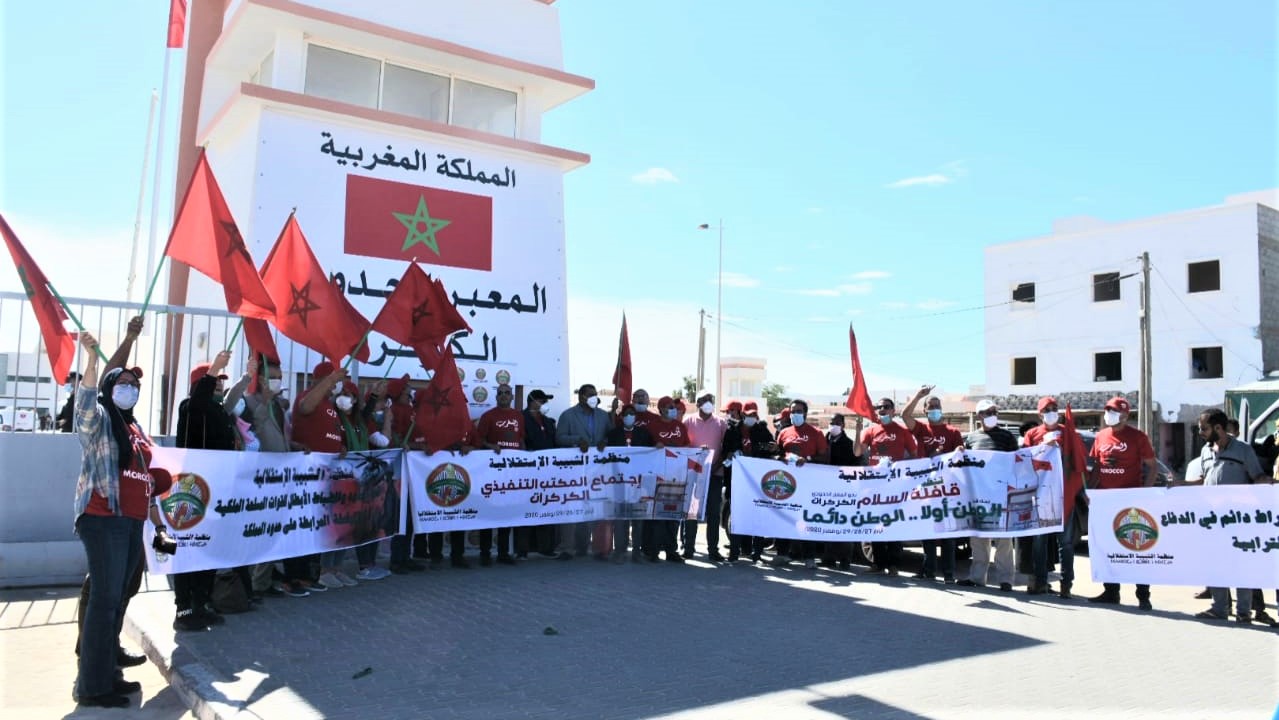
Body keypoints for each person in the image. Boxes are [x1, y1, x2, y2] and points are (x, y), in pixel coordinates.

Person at [72, 328, 173, 708]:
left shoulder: (134, 429)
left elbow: (145, 481)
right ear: (111, 387)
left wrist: (159, 524)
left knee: (117, 600)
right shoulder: (101, 419)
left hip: (132, 523)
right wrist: (93, 361)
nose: (130, 388)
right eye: (124, 382)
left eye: (135, 385)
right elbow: (83, 408)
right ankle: (93, 688)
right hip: (103, 517)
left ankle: (107, 674)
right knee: (105, 599)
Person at [172, 352, 246, 631]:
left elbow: (230, 399)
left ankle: (202, 603)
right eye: (214, 382)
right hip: (192, 490)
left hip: (216, 488)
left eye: (220, 383)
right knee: (189, 548)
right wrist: (213, 368)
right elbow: (200, 400)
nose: (218, 386)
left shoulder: (218, 411)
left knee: (209, 549)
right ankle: (184, 608)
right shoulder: (190, 406)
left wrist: (246, 377)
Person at [1172, 409, 1268, 623]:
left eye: (1203, 428)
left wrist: (1272, 484)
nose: (1200, 432)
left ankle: (1244, 613)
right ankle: (1219, 608)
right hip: (1212, 522)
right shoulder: (1206, 451)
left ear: (1218, 428)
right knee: (1215, 563)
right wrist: (1181, 484)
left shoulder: (1243, 450)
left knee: (1240, 566)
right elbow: (1204, 480)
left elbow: (1257, 477)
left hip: (1238, 521)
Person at [1086, 396, 1156, 610]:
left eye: (1114, 411)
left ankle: (1143, 596)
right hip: (1105, 500)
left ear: (1125, 415)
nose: (1109, 414)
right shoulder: (1101, 436)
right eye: (1107, 410)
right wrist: (1089, 490)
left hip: (1130, 501)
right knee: (1107, 546)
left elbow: (1152, 467)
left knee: (1135, 546)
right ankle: (1111, 591)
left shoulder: (1138, 437)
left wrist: (1144, 493)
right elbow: (1097, 466)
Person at [1020, 396, 1085, 597]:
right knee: (1039, 542)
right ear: (1040, 414)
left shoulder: (1069, 433)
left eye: (1054, 408)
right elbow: (1024, 461)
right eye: (1047, 409)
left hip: (1064, 496)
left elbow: (1079, 460)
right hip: (1041, 496)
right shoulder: (1033, 434)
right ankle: (1040, 581)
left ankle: (1067, 584)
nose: (1051, 411)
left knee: (1065, 543)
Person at [900, 386, 963, 583]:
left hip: (946, 489)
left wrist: (959, 450)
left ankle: (949, 573)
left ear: (941, 409)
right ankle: (928, 570)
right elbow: (904, 414)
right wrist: (919, 396)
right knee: (927, 530)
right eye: (931, 407)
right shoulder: (921, 429)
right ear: (925, 410)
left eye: (937, 406)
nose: (934, 409)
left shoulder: (953, 432)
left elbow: (960, 457)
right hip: (925, 487)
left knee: (947, 534)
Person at [959, 399, 1018, 592]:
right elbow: (964, 465)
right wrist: (959, 452)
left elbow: (1016, 463)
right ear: (979, 416)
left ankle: (1006, 580)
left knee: (1004, 540)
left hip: (1001, 495)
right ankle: (977, 578)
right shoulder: (971, 438)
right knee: (978, 538)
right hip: (978, 496)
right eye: (986, 411)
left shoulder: (1008, 437)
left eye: (994, 411)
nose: (991, 414)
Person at [858, 397, 918, 575]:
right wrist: (859, 430)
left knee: (892, 525)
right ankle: (878, 563)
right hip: (875, 485)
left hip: (896, 486)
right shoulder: (871, 430)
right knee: (876, 525)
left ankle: (893, 565)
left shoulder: (902, 431)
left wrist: (904, 473)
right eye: (879, 407)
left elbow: (914, 456)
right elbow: (858, 451)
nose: (882, 409)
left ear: (893, 410)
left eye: (886, 407)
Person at [555, 384, 610, 559]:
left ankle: (593, 548)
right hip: (574, 471)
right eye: (590, 395)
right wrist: (578, 440)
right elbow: (559, 437)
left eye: (595, 394)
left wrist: (605, 442)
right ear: (581, 397)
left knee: (594, 507)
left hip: (598, 471)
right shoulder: (568, 415)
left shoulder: (603, 415)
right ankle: (567, 548)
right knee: (572, 507)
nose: (594, 397)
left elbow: (610, 435)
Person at [772, 399, 829, 569]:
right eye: (792, 411)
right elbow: (778, 453)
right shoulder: (784, 432)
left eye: (798, 411)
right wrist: (778, 458)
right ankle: (782, 554)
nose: (794, 414)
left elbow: (824, 457)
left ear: (805, 413)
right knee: (784, 517)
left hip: (807, 483)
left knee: (805, 519)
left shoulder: (816, 433)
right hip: (786, 482)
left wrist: (808, 459)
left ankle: (809, 557)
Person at [475, 383, 524, 565]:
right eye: (500, 393)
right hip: (492, 473)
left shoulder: (518, 416)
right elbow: (478, 440)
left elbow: (522, 440)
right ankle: (485, 554)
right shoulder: (488, 416)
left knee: (507, 512)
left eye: (507, 393)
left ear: (511, 397)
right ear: (496, 397)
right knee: (488, 513)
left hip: (512, 473)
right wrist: (491, 446)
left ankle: (503, 553)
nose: (504, 395)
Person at [723, 401, 777, 562]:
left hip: (757, 482)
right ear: (743, 414)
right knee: (737, 517)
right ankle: (736, 551)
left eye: (754, 414)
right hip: (737, 481)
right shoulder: (732, 431)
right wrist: (731, 454)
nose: (751, 417)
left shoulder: (762, 430)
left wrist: (772, 448)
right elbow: (725, 452)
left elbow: (773, 449)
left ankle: (757, 553)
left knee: (758, 517)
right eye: (748, 414)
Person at [606, 404, 655, 562]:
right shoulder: (613, 434)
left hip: (638, 482)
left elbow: (651, 454)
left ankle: (636, 552)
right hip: (619, 482)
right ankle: (619, 551)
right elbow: (606, 455)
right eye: (626, 413)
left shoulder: (643, 433)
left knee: (638, 519)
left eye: (632, 414)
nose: (629, 416)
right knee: (621, 519)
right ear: (621, 416)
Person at [683, 391, 727, 560]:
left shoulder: (721, 423)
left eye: (711, 400)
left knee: (713, 513)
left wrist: (717, 465)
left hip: (715, 473)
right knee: (692, 511)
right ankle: (688, 548)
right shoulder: (688, 420)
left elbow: (725, 446)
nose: (709, 402)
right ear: (698, 402)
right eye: (705, 400)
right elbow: (684, 446)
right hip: (694, 473)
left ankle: (713, 549)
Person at [821, 413, 865, 570]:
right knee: (828, 525)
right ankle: (828, 558)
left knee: (844, 525)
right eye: (831, 422)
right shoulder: (823, 442)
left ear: (843, 425)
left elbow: (856, 464)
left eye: (836, 422)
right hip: (825, 491)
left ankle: (845, 560)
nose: (833, 425)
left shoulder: (849, 444)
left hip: (844, 491)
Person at [522, 389, 558, 557]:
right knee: (526, 510)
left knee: (546, 508)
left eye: (545, 402)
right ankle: (523, 549)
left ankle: (546, 547)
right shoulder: (521, 418)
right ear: (532, 401)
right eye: (541, 401)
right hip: (528, 471)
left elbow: (555, 443)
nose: (544, 404)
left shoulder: (549, 422)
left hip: (548, 472)